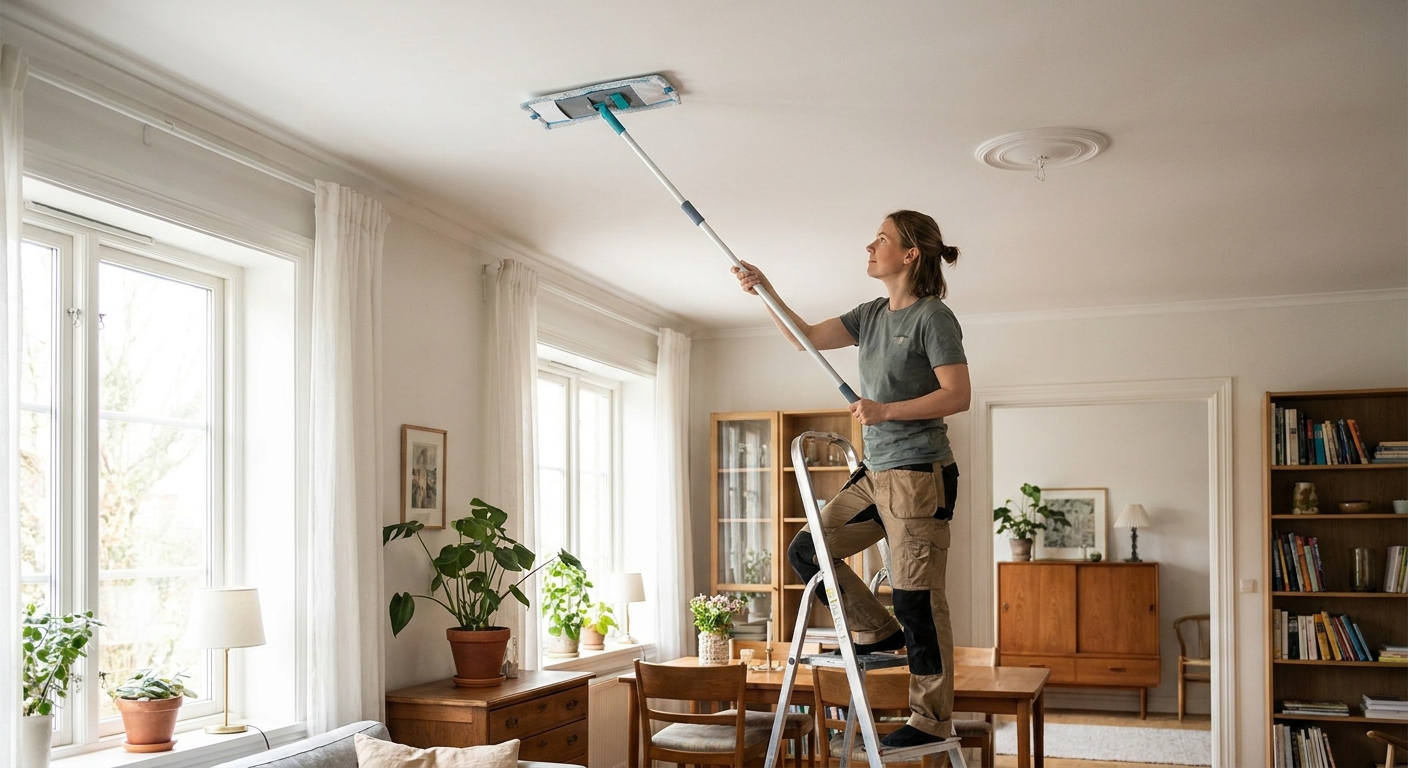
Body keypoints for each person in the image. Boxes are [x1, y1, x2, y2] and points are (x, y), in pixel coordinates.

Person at [732, 210, 970, 750]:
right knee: (807, 550)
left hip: (917, 476)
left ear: (910, 254)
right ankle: (878, 631)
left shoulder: (934, 318)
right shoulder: (870, 314)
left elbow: (957, 395)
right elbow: (806, 338)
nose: (870, 245)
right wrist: (765, 290)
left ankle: (929, 719)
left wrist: (885, 412)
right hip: (874, 474)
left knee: (919, 599)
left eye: (881, 239)